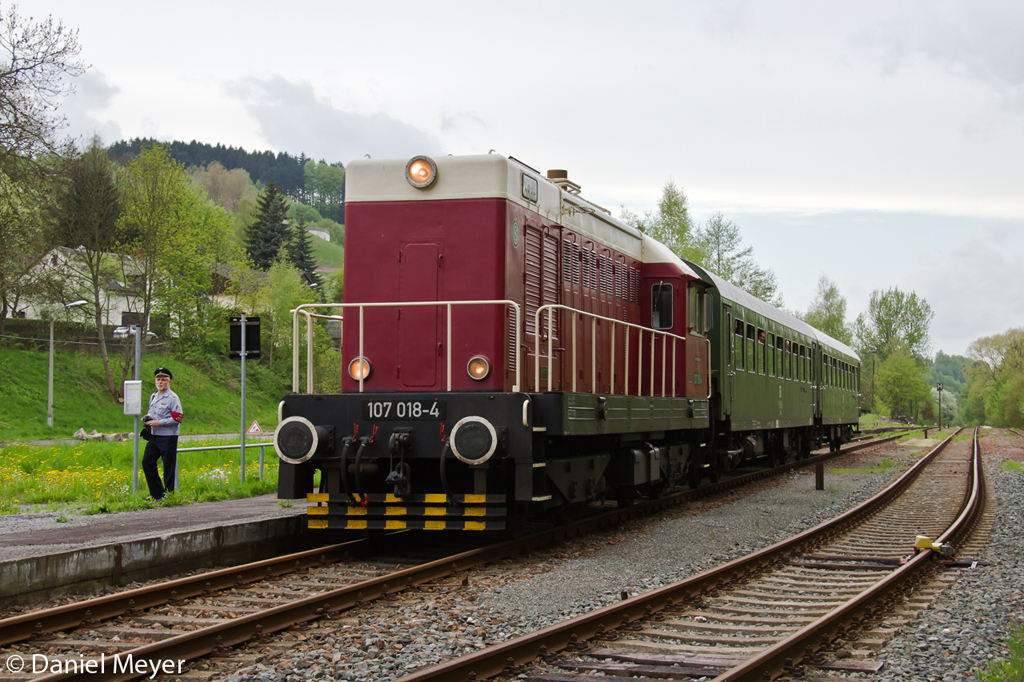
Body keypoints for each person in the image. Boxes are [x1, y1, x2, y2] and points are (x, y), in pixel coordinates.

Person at [142, 366, 184, 500]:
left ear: (169, 382)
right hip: (154, 436)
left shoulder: (173, 398)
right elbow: (152, 411)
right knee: (147, 462)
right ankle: (157, 493)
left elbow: (178, 418)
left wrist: (159, 422)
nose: (161, 382)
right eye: (158, 380)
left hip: (168, 436)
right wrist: (147, 417)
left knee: (168, 467)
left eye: (164, 380)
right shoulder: (154, 396)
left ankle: (169, 495)